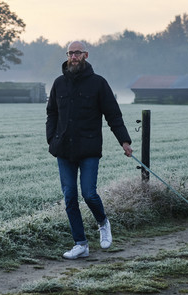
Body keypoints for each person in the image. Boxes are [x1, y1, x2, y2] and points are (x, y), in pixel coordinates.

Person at [46, 40, 133, 259]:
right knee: (69, 197)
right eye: (70, 53)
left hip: (89, 148)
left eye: (77, 53)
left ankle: (103, 223)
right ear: (67, 56)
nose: (73, 57)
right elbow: (52, 113)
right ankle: (81, 244)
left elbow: (113, 114)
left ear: (86, 55)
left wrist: (124, 141)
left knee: (89, 193)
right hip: (64, 149)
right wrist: (51, 139)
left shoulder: (98, 83)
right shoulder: (59, 83)